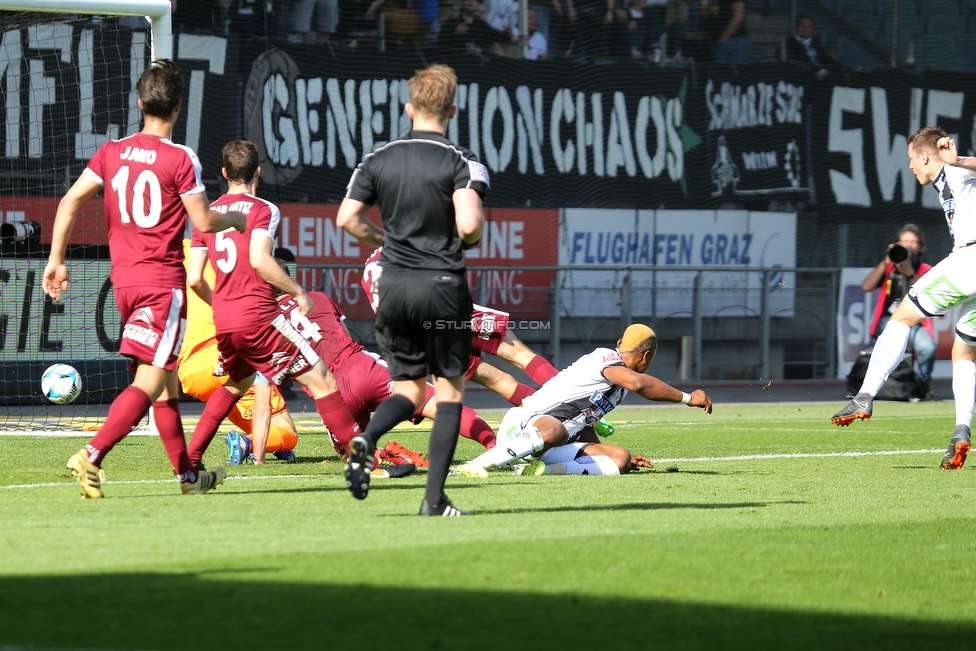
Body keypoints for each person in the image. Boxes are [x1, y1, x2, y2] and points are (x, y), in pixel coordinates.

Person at [42, 59, 243, 498]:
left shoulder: (111, 151)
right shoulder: (180, 157)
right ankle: (92, 454)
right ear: (178, 105)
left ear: (139, 102)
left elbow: (71, 201)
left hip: (124, 284)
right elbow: (204, 222)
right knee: (149, 382)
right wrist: (236, 220)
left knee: (166, 381)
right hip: (161, 286)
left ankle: (188, 476)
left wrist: (56, 259)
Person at [336, 64, 486, 516]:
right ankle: (434, 500)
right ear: (453, 110)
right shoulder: (460, 162)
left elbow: (346, 219)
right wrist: (467, 236)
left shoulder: (378, 158)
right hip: (441, 287)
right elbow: (469, 226)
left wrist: (387, 241)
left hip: (393, 284)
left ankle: (366, 438)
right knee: (449, 392)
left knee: (408, 391)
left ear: (409, 108)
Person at [184, 140, 363, 468]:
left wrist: (221, 304)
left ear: (224, 173)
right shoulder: (264, 209)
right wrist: (299, 292)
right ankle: (365, 460)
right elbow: (260, 260)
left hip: (225, 319)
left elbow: (195, 279)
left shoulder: (205, 217)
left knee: (235, 386)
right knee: (321, 377)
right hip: (259, 316)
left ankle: (190, 460)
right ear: (258, 171)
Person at [832, 127, 976, 472]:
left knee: (901, 318)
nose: (911, 167)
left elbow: (960, 167)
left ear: (925, 156)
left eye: (912, 159)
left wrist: (960, 160)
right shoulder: (950, 179)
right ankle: (961, 430)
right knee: (964, 349)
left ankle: (864, 396)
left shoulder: (955, 168)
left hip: (971, 259)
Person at [454, 324, 712, 476]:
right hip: (522, 426)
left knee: (620, 458)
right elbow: (639, 383)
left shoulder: (617, 387)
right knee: (556, 428)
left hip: (552, 442)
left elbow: (584, 422)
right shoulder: (606, 359)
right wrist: (688, 397)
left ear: (621, 342)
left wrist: (601, 455)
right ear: (646, 357)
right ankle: (475, 465)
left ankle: (530, 470)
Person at [176, 240, 300, 465]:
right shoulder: (251, 272)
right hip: (226, 358)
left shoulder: (191, 249)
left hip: (191, 369)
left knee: (260, 416)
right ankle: (252, 444)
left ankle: (266, 443)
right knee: (286, 431)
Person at [860, 224, 936, 393]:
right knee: (891, 348)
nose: (909, 245)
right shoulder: (889, 267)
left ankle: (922, 388)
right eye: (905, 241)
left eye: (913, 242)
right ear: (897, 244)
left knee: (928, 348)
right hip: (889, 318)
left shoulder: (925, 269)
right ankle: (887, 388)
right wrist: (886, 261)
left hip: (916, 321)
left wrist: (909, 273)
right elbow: (867, 286)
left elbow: (930, 295)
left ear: (920, 247)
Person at [785, 14, 838, 79]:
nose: (805, 28)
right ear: (796, 26)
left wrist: (824, 71)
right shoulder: (788, 43)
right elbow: (796, 63)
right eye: (802, 25)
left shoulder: (816, 44)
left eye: (809, 26)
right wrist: (814, 72)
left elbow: (827, 59)